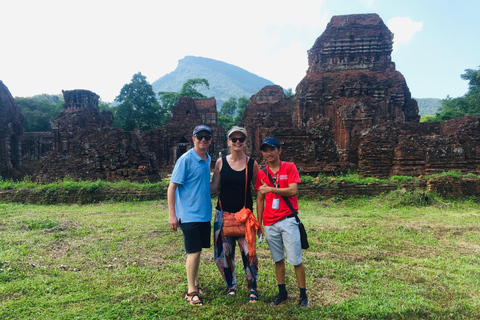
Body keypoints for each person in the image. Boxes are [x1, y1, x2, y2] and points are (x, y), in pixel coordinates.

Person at [254, 137, 310, 307]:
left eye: (271, 149)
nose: (268, 153)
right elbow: (260, 199)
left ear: (279, 150)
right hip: (270, 222)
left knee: (295, 259)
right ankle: (282, 293)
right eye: (265, 150)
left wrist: (271, 188)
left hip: (287, 219)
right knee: (278, 260)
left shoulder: (289, 167)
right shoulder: (262, 173)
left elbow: (293, 191)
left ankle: (303, 295)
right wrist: (259, 222)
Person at [210, 126, 261, 303]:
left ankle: (252, 287)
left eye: (241, 139)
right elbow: (213, 186)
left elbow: (259, 189)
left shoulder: (252, 163)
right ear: (228, 142)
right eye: (234, 139)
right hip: (223, 215)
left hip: (245, 216)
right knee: (223, 254)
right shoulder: (220, 162)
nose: (237, 142)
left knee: (249, 253)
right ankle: (231, 284)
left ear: (246, 142)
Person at [167, 125, 213, 307]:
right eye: (200, 136)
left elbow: (207, 185)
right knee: (193, 252)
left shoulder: (207, 158)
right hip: (188, 214)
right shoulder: (185, 159)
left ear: (210, 140)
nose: (203, 139)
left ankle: (194, 283)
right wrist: (172, 214)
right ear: (193, 138)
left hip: (203, 214)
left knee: (198, 251)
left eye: (207, 137)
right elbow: (172, 187)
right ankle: (191, 291)